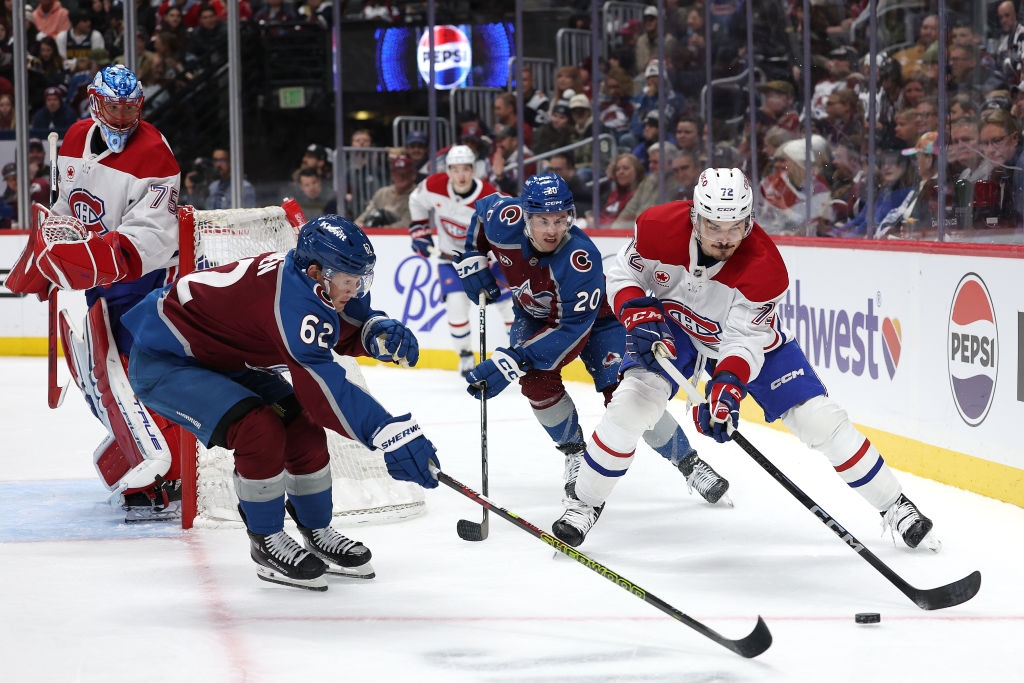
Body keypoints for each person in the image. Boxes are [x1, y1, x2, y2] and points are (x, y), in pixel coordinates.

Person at [568, 168, 938, 551]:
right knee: (632, 403)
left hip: (742, 343)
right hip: (677, 325)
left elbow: (744, 341)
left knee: (819, 419)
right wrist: (635, 312)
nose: (725, 238)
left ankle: (895, 505)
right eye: (714, 226)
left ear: (749, 221)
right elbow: (622, 273)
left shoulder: (764, 267)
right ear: (695, 216)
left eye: (735, 226)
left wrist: (726, 390)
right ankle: (583, 503)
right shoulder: (658, 226)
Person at [122, 215, 439, 590]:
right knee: (259, 429)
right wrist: (389, 433)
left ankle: (317, 530)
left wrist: (372, 331)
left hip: (220, 356)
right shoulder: (291, 300)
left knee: (301, 425)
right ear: (317, 271)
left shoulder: (312, 281)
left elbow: (337, 322)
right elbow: (324, 390)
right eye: (349, 281)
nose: (355, 290)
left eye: (361, 281)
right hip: (167, 363)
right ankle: (266, 540)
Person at [454, 174, 727, 546]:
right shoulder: (504, 217)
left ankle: (689, 463)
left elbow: (570, 334)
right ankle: (575, 454)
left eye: (561, 219)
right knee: (535, 382)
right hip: (533, 315)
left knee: (626, 394)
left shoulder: (578, 260)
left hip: (594, 322)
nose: (553, 229)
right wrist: (472, 254)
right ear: (525, 216)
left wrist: (513, 358)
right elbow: (481, 214)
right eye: (543, 220)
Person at [4, 65, 184, 522]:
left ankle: (171, 471)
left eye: (130, 108)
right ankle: (151, 459)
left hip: (143, 280)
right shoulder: (73, 138)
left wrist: (87, 259)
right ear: (93, 100)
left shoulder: (156, 155)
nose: (122, 118)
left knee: (140, 374)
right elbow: (67, 206)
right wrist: (50, 248)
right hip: (98, 280)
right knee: (106, 377)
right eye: (113, 107)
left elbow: (152, 234)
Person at [407, 144, 515, 375]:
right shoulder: (433, 186)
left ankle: (520, 352)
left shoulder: (490, 197)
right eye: (455, 169)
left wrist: (495, 253)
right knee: (456, 307)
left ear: (473, 169)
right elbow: (416, 201)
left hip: (487, 262)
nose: (461, 175)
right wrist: (420, 231)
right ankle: (465, 354)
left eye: (465, 169)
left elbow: (510, 225)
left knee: (509, 308)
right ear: (448, 170)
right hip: (451, 262)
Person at [356, 154, 416, 228]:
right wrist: (357, 224)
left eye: (405, 173)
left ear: (413, 174)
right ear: (392, 175)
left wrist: (379, 229)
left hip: (401, 237)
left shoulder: (416, 195)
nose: (401, 176)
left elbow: (406, 224)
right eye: (397, 173)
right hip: (374, 234)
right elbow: (367, 213)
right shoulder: (382, 192)